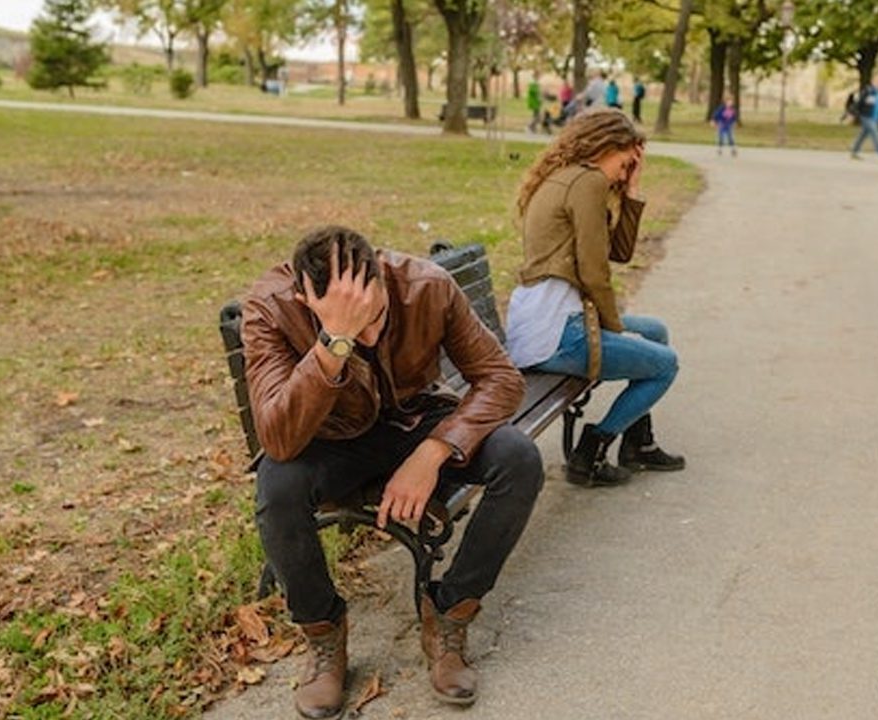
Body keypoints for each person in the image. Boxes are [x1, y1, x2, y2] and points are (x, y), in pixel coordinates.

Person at [243, 226, 542, 717]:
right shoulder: (272, 306)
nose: (369, 336)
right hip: (329, 435)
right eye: (348, 327)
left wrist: (434, 451)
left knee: (519, 459)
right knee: (278, 486)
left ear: (382, 275)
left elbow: (501, 379)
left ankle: (449, 614)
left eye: (374, 315)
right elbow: (278, 438)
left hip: (415, 420)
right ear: (304, 298)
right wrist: (332, 343)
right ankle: (323, 635)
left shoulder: (425, 285)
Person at [505, 109, 685, 487]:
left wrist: (632, 191)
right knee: (666, 365)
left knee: (655, 331)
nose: (626, 171)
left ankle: (638, 443)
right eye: (626, 162)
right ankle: (594, 447)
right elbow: (593, 272)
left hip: (549, 318)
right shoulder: (586, 183)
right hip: (556, 332)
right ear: (607, 146)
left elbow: (618, 253)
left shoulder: (570, 177)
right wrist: (614, 328)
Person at [850, 76, 878, 161]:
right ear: (872, 81)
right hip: (866, 116)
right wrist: (853, 113)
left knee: (862, 135)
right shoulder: (867, 91)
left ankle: (854, 152)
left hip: (876, 118)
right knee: (875, 133)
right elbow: (859, 102)